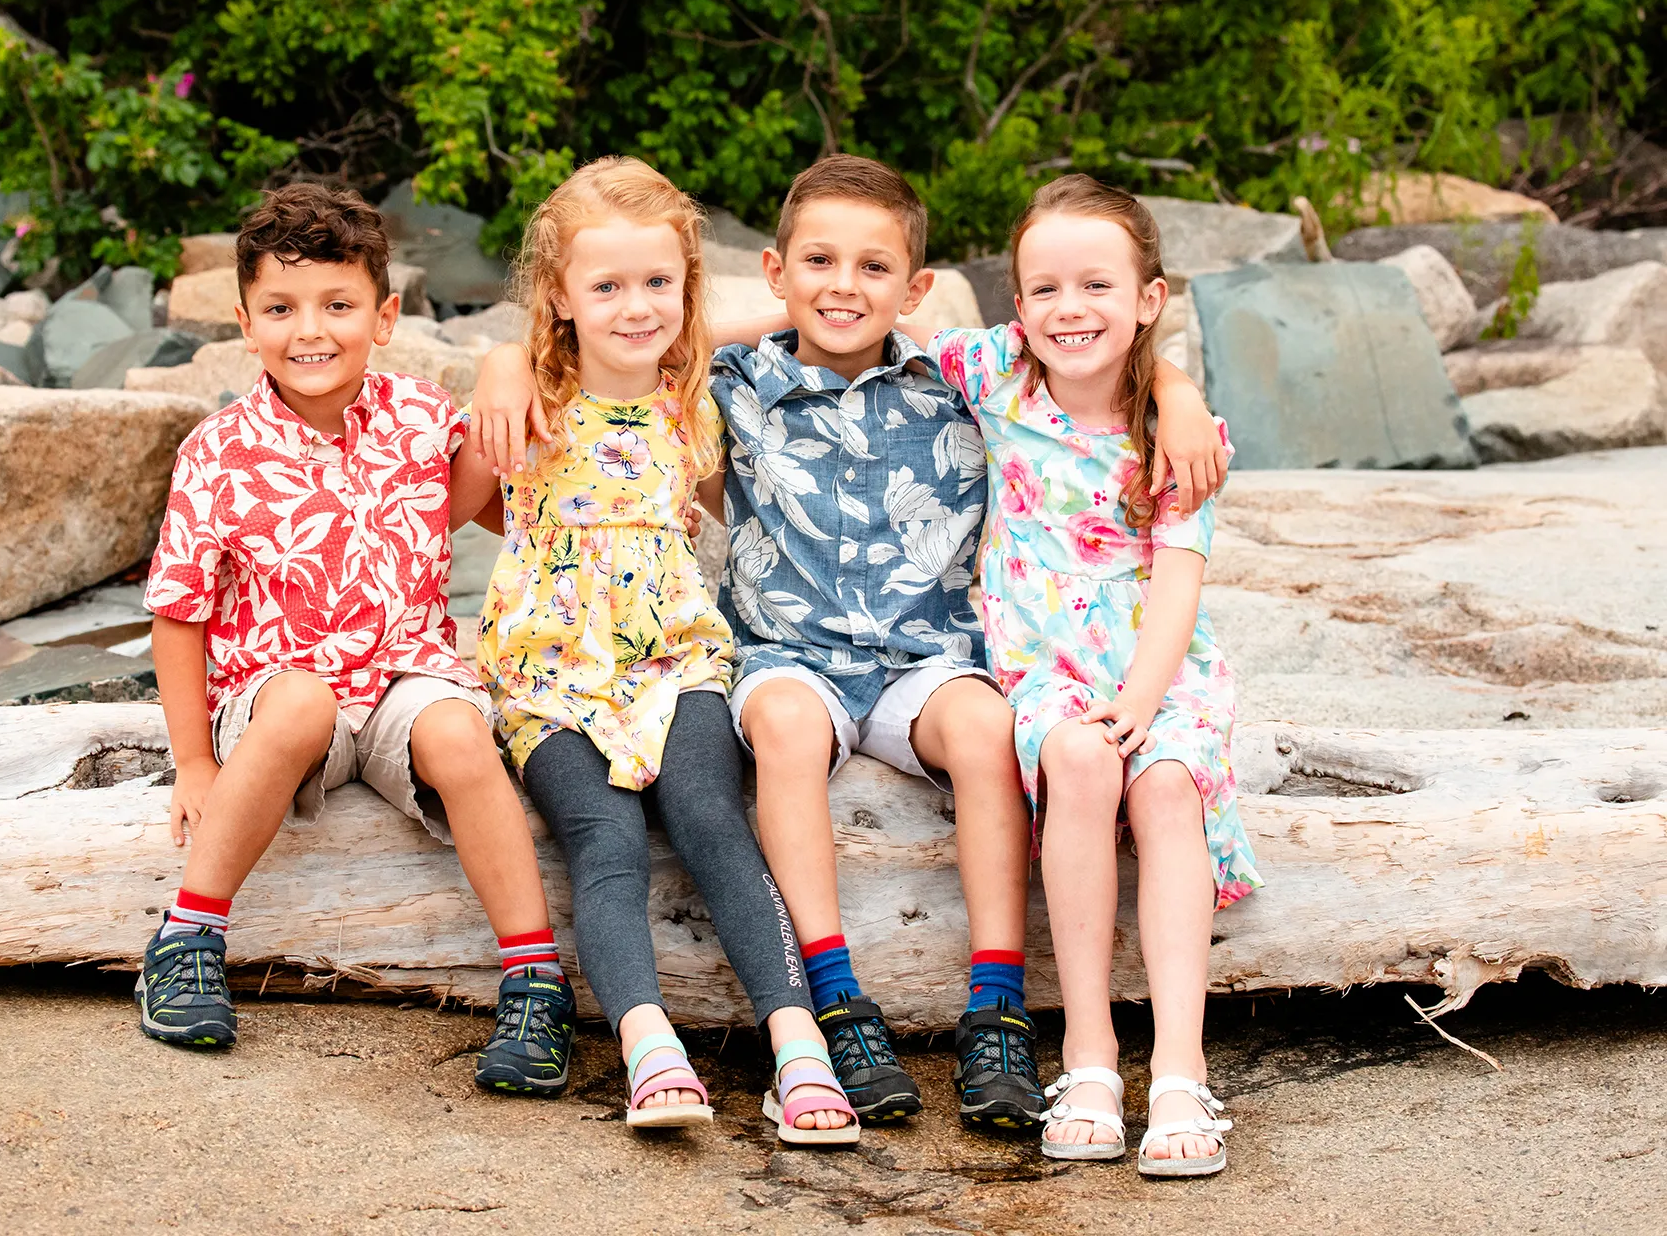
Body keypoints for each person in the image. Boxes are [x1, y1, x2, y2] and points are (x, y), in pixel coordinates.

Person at [471, 154, 1230, 1133]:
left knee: (992, 727)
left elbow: (1101, 346)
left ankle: (995, 1003)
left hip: (927, 655)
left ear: (916, 290)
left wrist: (1171, 384)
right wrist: (501, 358)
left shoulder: (962, 373)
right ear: (775, 271)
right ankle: (836, 998)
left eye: (875, 268)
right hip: (794, 656)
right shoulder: (730, 378)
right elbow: (634, 342)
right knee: (781, 725)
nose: (844, 286)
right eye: (818, 262)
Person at [138, 183, 578, 1105]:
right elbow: (178, 610)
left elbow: (503, 505)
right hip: (274, 688)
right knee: (301, 703)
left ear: (385, 316)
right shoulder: (217, 450)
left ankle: (536, 982)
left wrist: (504, 363)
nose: (312, 330)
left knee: (460, 732)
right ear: (244, 321)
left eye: (338, 306)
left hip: (404, 671)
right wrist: (189, 761)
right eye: (282, 308)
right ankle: (188, 936)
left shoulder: (421, 419)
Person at [454, 156, 858, 1144]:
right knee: (607, 842)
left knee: (714, 815)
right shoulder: (529, 401)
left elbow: (774, 328)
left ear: (687, 285)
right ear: (558, 297)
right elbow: (454, 510)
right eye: (606, 286)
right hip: (551, 672)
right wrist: (497, 363)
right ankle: (648, 1041)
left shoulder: (695, 394)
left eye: (658, 282)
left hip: (674, 654)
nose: (637, 306)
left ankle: (797, 1041)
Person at [933, 173, 1262, 1177]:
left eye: (1096, 286)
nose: (1070, 310)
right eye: (1044, 289)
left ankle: (1179, 1067)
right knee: (1078, 763)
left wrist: (1144, 701)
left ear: (1150, 298)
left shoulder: (1175, 432)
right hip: (1045, 665)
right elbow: (882, 295)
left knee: (1165, 784)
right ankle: (1087, 1054)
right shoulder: (995, 375)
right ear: (1017, 303)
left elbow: (1178, 579)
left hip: (1157, 664)